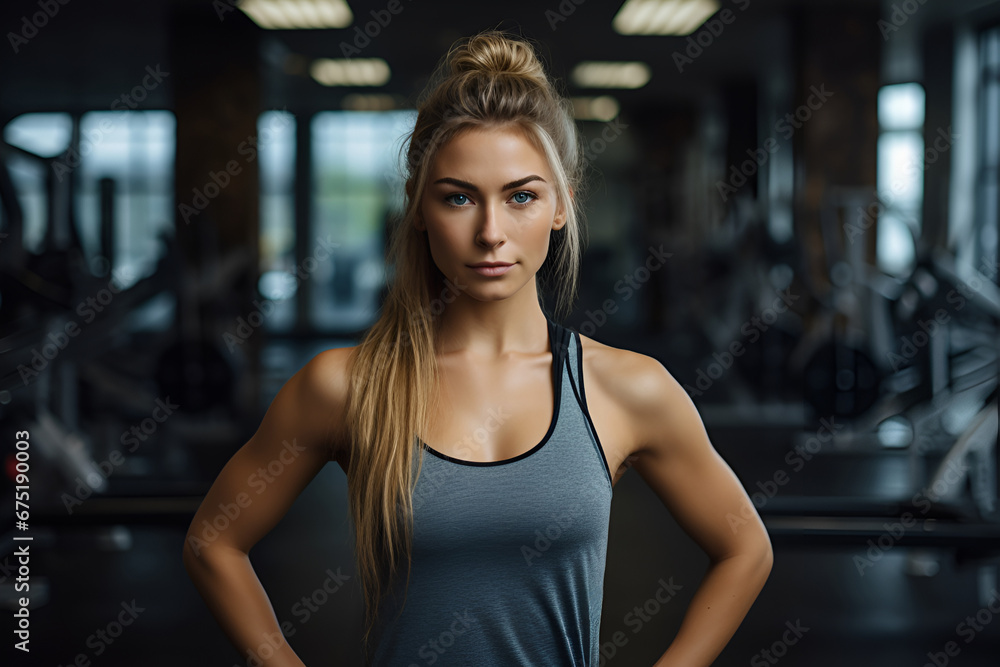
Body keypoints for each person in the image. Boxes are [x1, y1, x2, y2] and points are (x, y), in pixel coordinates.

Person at [182, 29, 773, 667]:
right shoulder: (346, 387)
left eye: (521, 196)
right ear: (418, 209)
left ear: (561, 208)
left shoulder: (627, 388)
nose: (491, 232)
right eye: (459, 197)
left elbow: (746, 548)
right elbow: (214, 542)